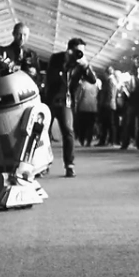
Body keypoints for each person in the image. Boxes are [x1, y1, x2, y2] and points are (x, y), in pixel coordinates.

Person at [42, 37, 94, 177]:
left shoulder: (80, 64)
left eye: (82, 52)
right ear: (69, 50)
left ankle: (69, 165)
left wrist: (86, 66)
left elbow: (93, 80)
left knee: (68, 132)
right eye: (78, 51)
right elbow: (52, 77)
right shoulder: (56, 58)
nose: (80, 54)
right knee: (44, 133)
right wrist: (66, 64)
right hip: (51, 100)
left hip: (67, 102)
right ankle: (43, 164)